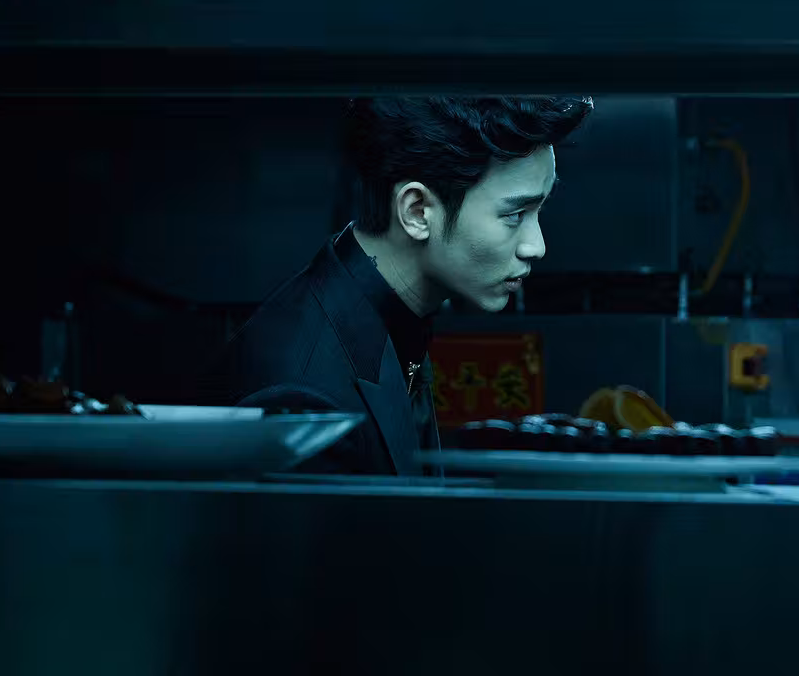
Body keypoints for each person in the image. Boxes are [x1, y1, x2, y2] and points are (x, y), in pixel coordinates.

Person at [202, 96, 593, 475]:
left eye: (538, 210)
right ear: (417, 211)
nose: (536, 246)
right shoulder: (303, 399)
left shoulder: (388, 318)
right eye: (515, 214)